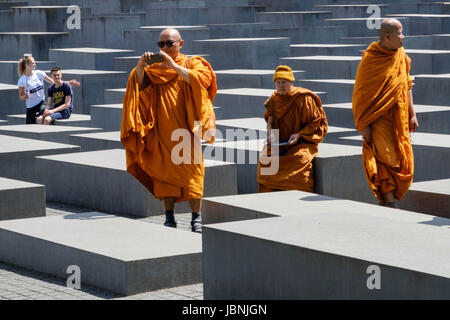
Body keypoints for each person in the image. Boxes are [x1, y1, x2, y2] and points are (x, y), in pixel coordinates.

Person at [121, 28, 217, 233]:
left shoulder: (193, 63)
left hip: (189, 130)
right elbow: (138, 85)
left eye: (169, 43)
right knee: (164, 176)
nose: (164, 48)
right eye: (161, 44)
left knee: (193, 174)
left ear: (180, 44)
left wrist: (174, 66)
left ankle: (196, 218)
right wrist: (140, 66)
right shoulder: (155, 70)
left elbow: (202, 81)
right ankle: (169, 218)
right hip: (162, 131)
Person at [352, 18, 419, 208]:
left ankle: (390, 201)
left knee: (401, 158)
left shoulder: (401, 56)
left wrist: (412, 113)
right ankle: (389, 201)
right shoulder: (371, 58)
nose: (403, 37)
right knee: (384, 158)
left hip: (399, 117)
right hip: (378, 118)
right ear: (388, 36)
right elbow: (360, 94)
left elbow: (407, 85)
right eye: (399, 33)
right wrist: (363, 125)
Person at [257, 65, 328, 193]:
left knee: (300, 160)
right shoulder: (274, 99)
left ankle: (296, 196)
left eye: (284, 82)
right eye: (278, 83)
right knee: (265, 158)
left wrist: (299, 135)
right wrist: (270, 135)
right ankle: (268, 196)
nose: (280, 86)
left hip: (301, 142)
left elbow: (315, 122)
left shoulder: (303, 98)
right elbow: (270, 120)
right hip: (280, 142)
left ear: (291, 82)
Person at [17, 55, 79, 124]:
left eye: (35, 62)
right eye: (33, 63)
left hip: (41, 102)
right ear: (27, 65)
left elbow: (53, 81)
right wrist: (25, 96)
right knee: (30, 125)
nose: (35, 64)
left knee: (41, 118)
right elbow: (20, 96)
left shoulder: (39, 73)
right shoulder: (22, 80)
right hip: (31, 106)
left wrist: (68, 82)